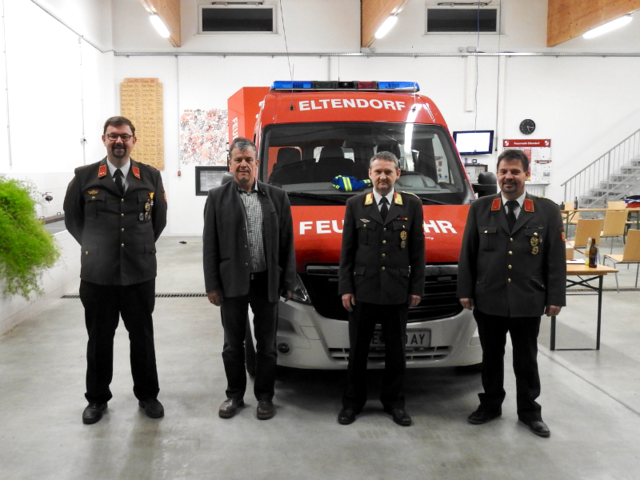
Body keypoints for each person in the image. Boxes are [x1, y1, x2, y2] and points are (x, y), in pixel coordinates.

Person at [64, 116, 167, 425]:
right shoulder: (83, 178)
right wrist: (94, 247)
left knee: (142, 338)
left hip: (139, 274)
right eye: (112, 136)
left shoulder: (150, 176)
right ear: (104, 139)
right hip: (98, 276)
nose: (118, 141)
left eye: (124, 136)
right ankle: (96, 400)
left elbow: (157, 221)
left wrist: (138, 246)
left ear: (133, 140)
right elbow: (72, 219)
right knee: (98, 340)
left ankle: (148, 395)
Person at [457, 149, 566, 438]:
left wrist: (555, 297)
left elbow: (555, 258)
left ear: (526, 175)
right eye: (504, 171)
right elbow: (467, 253)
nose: (508, 177)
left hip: (528, 298)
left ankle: (530, 412)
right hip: (488, 297)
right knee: (491, 357)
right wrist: (465, 290)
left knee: (526, 359)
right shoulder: (480, 208)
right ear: (497, 174)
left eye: (515, 172)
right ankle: (491, 405)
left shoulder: (546, 210)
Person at [203, 137, 296, 421]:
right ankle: (234, 396)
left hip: (266, 281)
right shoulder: (217, 198)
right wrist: (212, 285)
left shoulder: (276, 197)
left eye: (248, 159)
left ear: (257, 163)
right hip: (232, 283)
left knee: (266, 345)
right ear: (230, 164)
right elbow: (210, 245)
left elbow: (286, 243)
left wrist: (287, 281)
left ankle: (265, 398)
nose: (243, 164)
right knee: (233, 345)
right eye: (238, 159)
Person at [337, 151, 425, 426]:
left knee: (397, 352)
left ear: (398, 174)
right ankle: (352, 403)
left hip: (397, 290)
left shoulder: (411, 205)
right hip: (362, 290)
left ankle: (394, 403)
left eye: (388, 171)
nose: (383, 177)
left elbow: (417, 251)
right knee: (358, 352)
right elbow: (347, 252)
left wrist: (416, 288)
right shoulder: (355, 204)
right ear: (370, 175)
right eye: (378, 172)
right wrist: (346, 288)